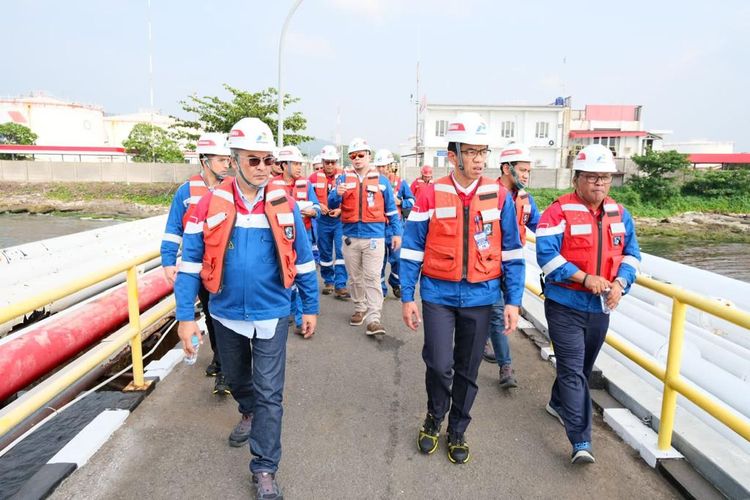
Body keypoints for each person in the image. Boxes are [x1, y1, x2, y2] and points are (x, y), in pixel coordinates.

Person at [174, 117, 318, 499]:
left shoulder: (283, 203)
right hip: (225, 314)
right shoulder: (208, 204)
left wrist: (309, 306)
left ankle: (265, 468)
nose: (262, 168)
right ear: (234, 161)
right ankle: (247, 410)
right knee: (238, 380)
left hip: (273, 312)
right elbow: (189, 261)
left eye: (267, 160)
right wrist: (185, 317)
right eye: (253, 160)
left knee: (271, 392)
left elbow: (302, 259)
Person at [400, 112, 525, 464]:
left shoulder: (499, 197)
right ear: (452, 155)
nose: (479, 160)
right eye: (471, 152)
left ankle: (458, 428)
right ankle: (434, 415)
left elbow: (513, 253)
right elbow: (411, 249)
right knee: (439, 364)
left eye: (483, 152)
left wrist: (513, 301)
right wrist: (407, 295)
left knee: (468, 370)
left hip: (482, 296)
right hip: (438, 294)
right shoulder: (430, 193)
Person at [536, 143, 640, 464]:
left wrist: (621, 284)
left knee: (580, 368)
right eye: (593, 177)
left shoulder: (621, 214)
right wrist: (584, 278)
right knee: (572, 370)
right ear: (576, 178)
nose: (599, 183)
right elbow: (547, 258)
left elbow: (632, 255)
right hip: (564, 305)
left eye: (606, 178)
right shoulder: (558, 212)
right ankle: (581, 441)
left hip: (600, 309)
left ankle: (557, 402)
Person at [161, 132, 232, 395]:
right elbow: (172, 230)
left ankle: (225, 370)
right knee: (212, 317)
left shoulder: (231, 189)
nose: (227, 164)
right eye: (222, 159)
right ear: (205, 161)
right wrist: (168, 260)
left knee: (222, 317)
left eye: (228, 159)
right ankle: (220, 358)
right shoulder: (187, 191)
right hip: (198, 269)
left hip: (224, 267)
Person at [328, 137, 402, 336]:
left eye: (361, 155)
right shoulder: (342, 179)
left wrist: (396, 233)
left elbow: (392, 210)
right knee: (355, 278)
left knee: (372, 277)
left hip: (374, 237)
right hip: (350, 237)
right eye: (353, 156)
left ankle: (374, 318)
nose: (357, 159)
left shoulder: (382, 181)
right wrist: (336, 193)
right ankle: (360, 308)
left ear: (368, 156)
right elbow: (332, 203)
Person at [482, 144, 541, 389]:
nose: (526, 175)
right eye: (522, 170)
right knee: (497, 314)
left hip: (514, 268)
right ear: (507, 168)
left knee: (500, 313)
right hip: (490, 265)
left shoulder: (527, 199)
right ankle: (506, 367)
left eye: (529, 171)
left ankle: (482, 341)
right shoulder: (488, 195)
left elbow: (541, 228)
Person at [271, 145, 321, 336]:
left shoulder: (306, 185)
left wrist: (312, 210)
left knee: (302, 273)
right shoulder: (271, 186)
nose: (300, 167)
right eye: (296, 163)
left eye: (301, 163)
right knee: (283, 276)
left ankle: (301, 319)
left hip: (303, 236)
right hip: (280, 238)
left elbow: (316, 207)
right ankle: (289, 310)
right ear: (284, 165)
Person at [373, 148, 414, 298]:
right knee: (379, 262)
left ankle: (395, 281)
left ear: (391, 166)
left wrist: (401, 202)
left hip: (395, 227)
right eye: (379, 166)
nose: (382, 169)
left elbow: (412, 201)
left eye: (384, 166)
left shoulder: (401, 183)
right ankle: (381, 290)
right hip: (378, 227)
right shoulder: (372, 183)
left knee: (398, 259)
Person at [312, 145, 349, 299]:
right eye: (327, 162)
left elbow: (351, 198)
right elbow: (308, 196)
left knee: (341, 252)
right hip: (322, 220)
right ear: (323, 161)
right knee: (325, 250)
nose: (329, 165)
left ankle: (341, 285)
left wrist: (341, 209)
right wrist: (318, 205)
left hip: (339, 220)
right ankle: (329, 281)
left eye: (332, 162)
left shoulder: (344, 176)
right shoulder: (313, 178)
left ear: (336, 162)